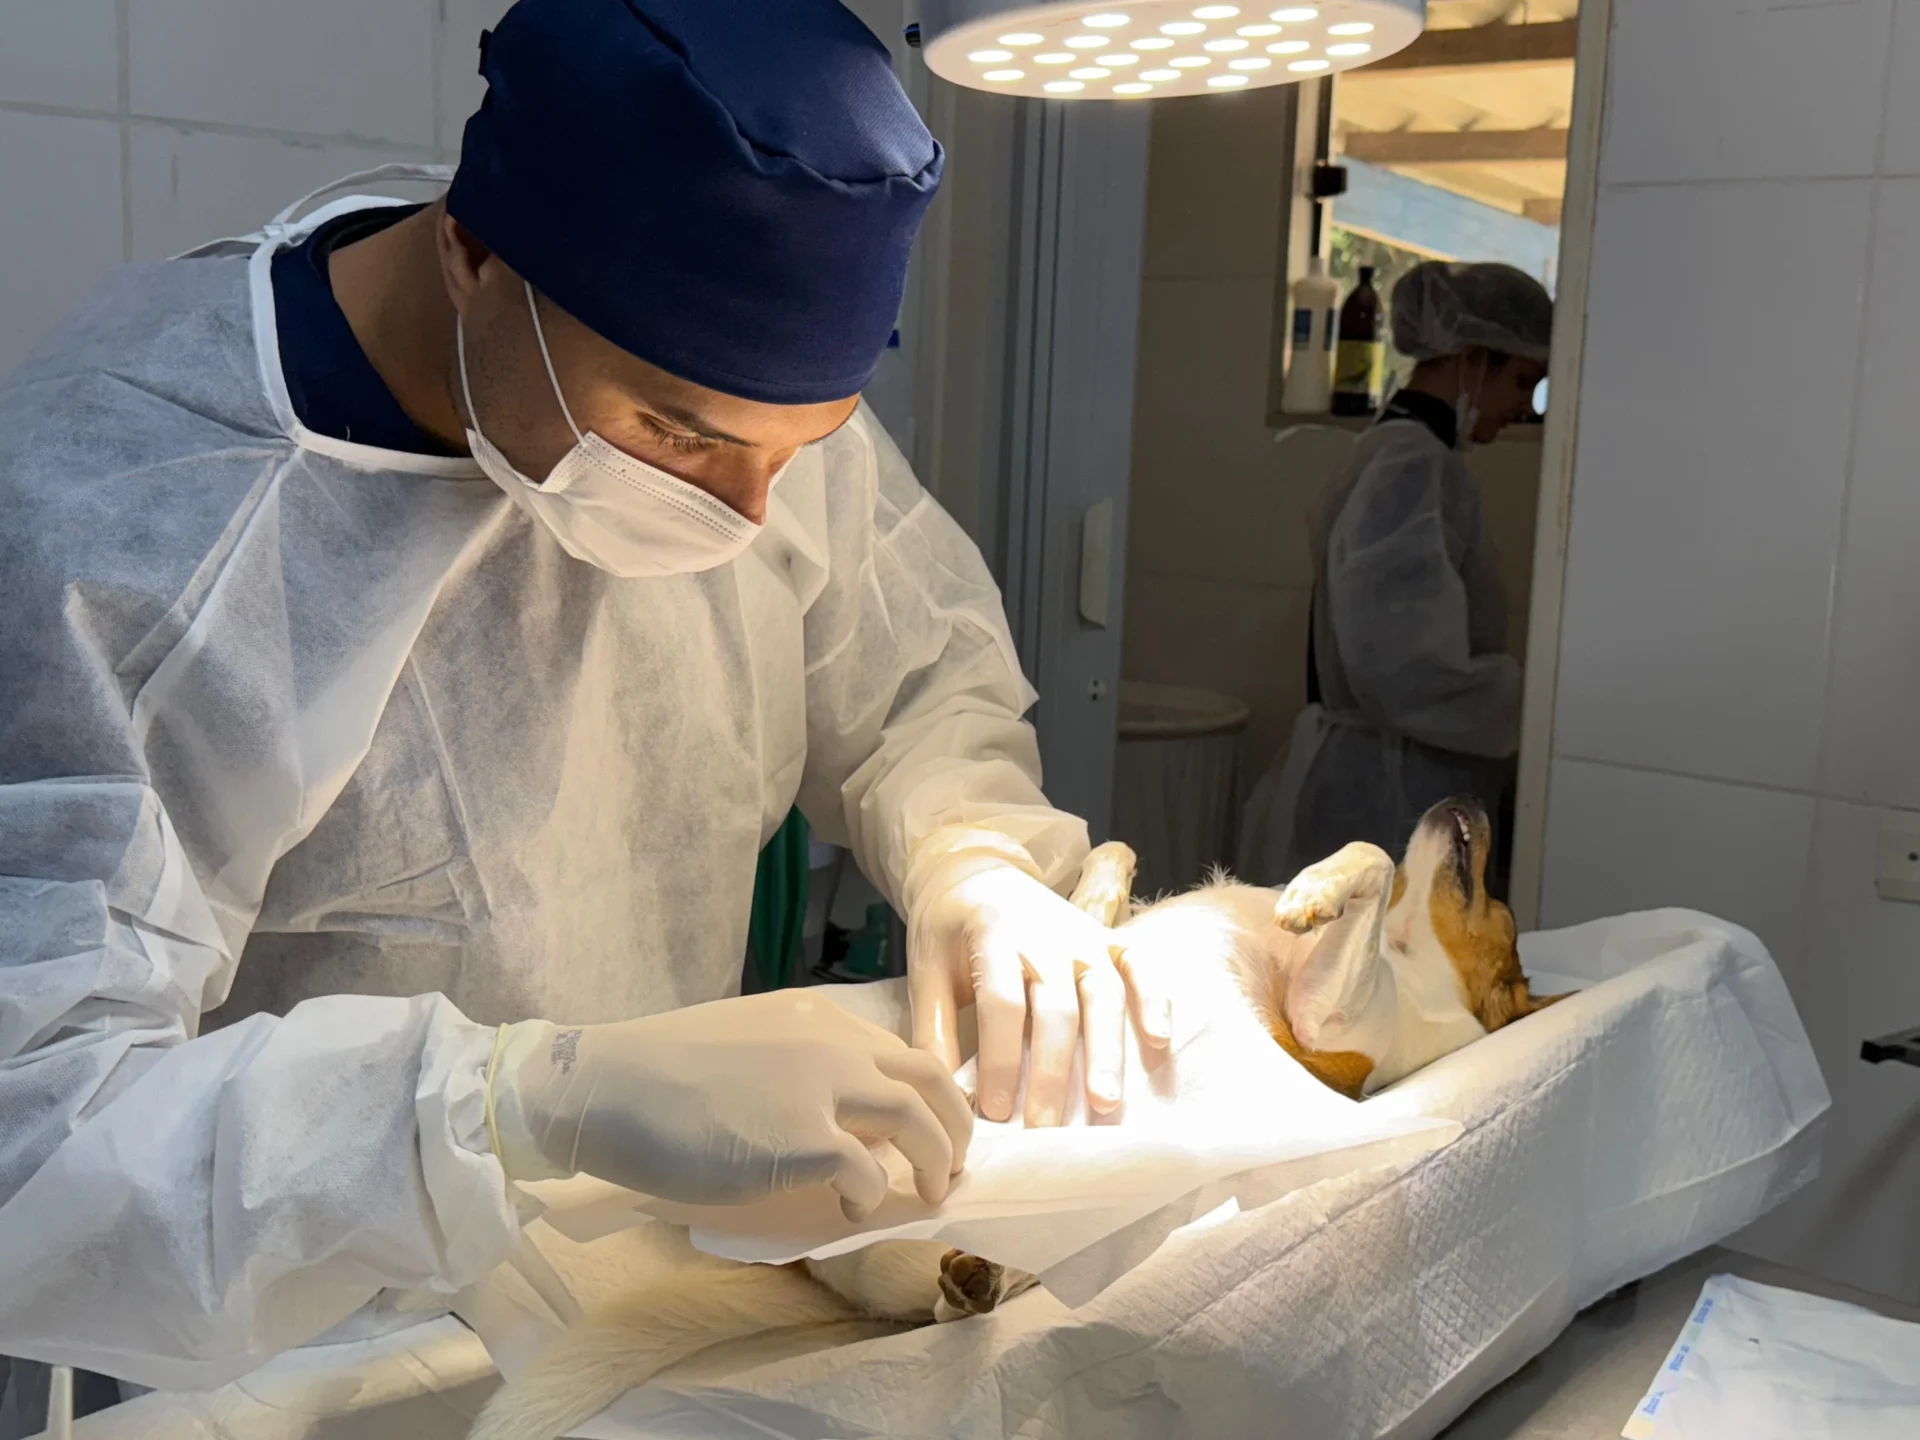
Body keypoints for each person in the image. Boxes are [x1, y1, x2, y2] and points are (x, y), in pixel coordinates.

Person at [0, 0, 1166, 1400]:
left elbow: (913, 676)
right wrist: (522, 1106)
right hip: (280, 1355)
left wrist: (972, 853)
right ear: (472, 254)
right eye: (675, 433)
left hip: (644, 1298)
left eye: (803, 450)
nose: (748, 516)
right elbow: (38, 1146)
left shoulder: (743, 402)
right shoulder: (125, 534)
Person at [1239, 261, 1552, 891]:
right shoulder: (1414, 466)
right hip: (1383, 795)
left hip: (1381, 782)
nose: (1525, 407)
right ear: (1471, 358)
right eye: (1522, 380)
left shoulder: (1403, 454)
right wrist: (1542, 702)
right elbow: (1406, 670)